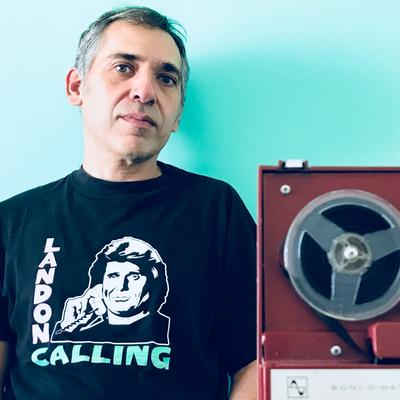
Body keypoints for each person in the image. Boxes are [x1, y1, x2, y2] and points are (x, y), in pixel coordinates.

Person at [0, 6, 256, 400]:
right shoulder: (14, 221)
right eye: (123, 67)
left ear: (177, 114)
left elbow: (256, 358)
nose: (145, 91)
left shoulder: (216, 211)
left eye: (166, 78)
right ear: (77, 87)